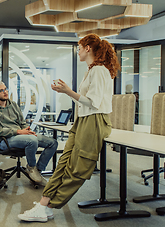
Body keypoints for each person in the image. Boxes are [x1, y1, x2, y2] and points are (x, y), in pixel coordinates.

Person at [18, 33, 120, 222]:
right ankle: (44, 204)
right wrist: (68, 92)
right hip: (83, 121)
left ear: (88, 48)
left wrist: (68, 91)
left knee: (77, 169)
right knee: (63, 163)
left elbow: (94, 103)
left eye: (79, 47)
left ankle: (48, 205)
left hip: (94, 121)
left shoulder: (99, 70)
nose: (78, 51)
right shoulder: (91, 70)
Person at [0, 81, 58, 184]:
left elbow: (22, 122)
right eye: (1, 91)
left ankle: (38, 170)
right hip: (5, 140)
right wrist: (19, 131)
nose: (5, 92)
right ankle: (31, 167)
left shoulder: (13, 105)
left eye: (5, 89)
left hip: (21, 135)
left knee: (53, 143)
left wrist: (27, 130)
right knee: (32, 141)